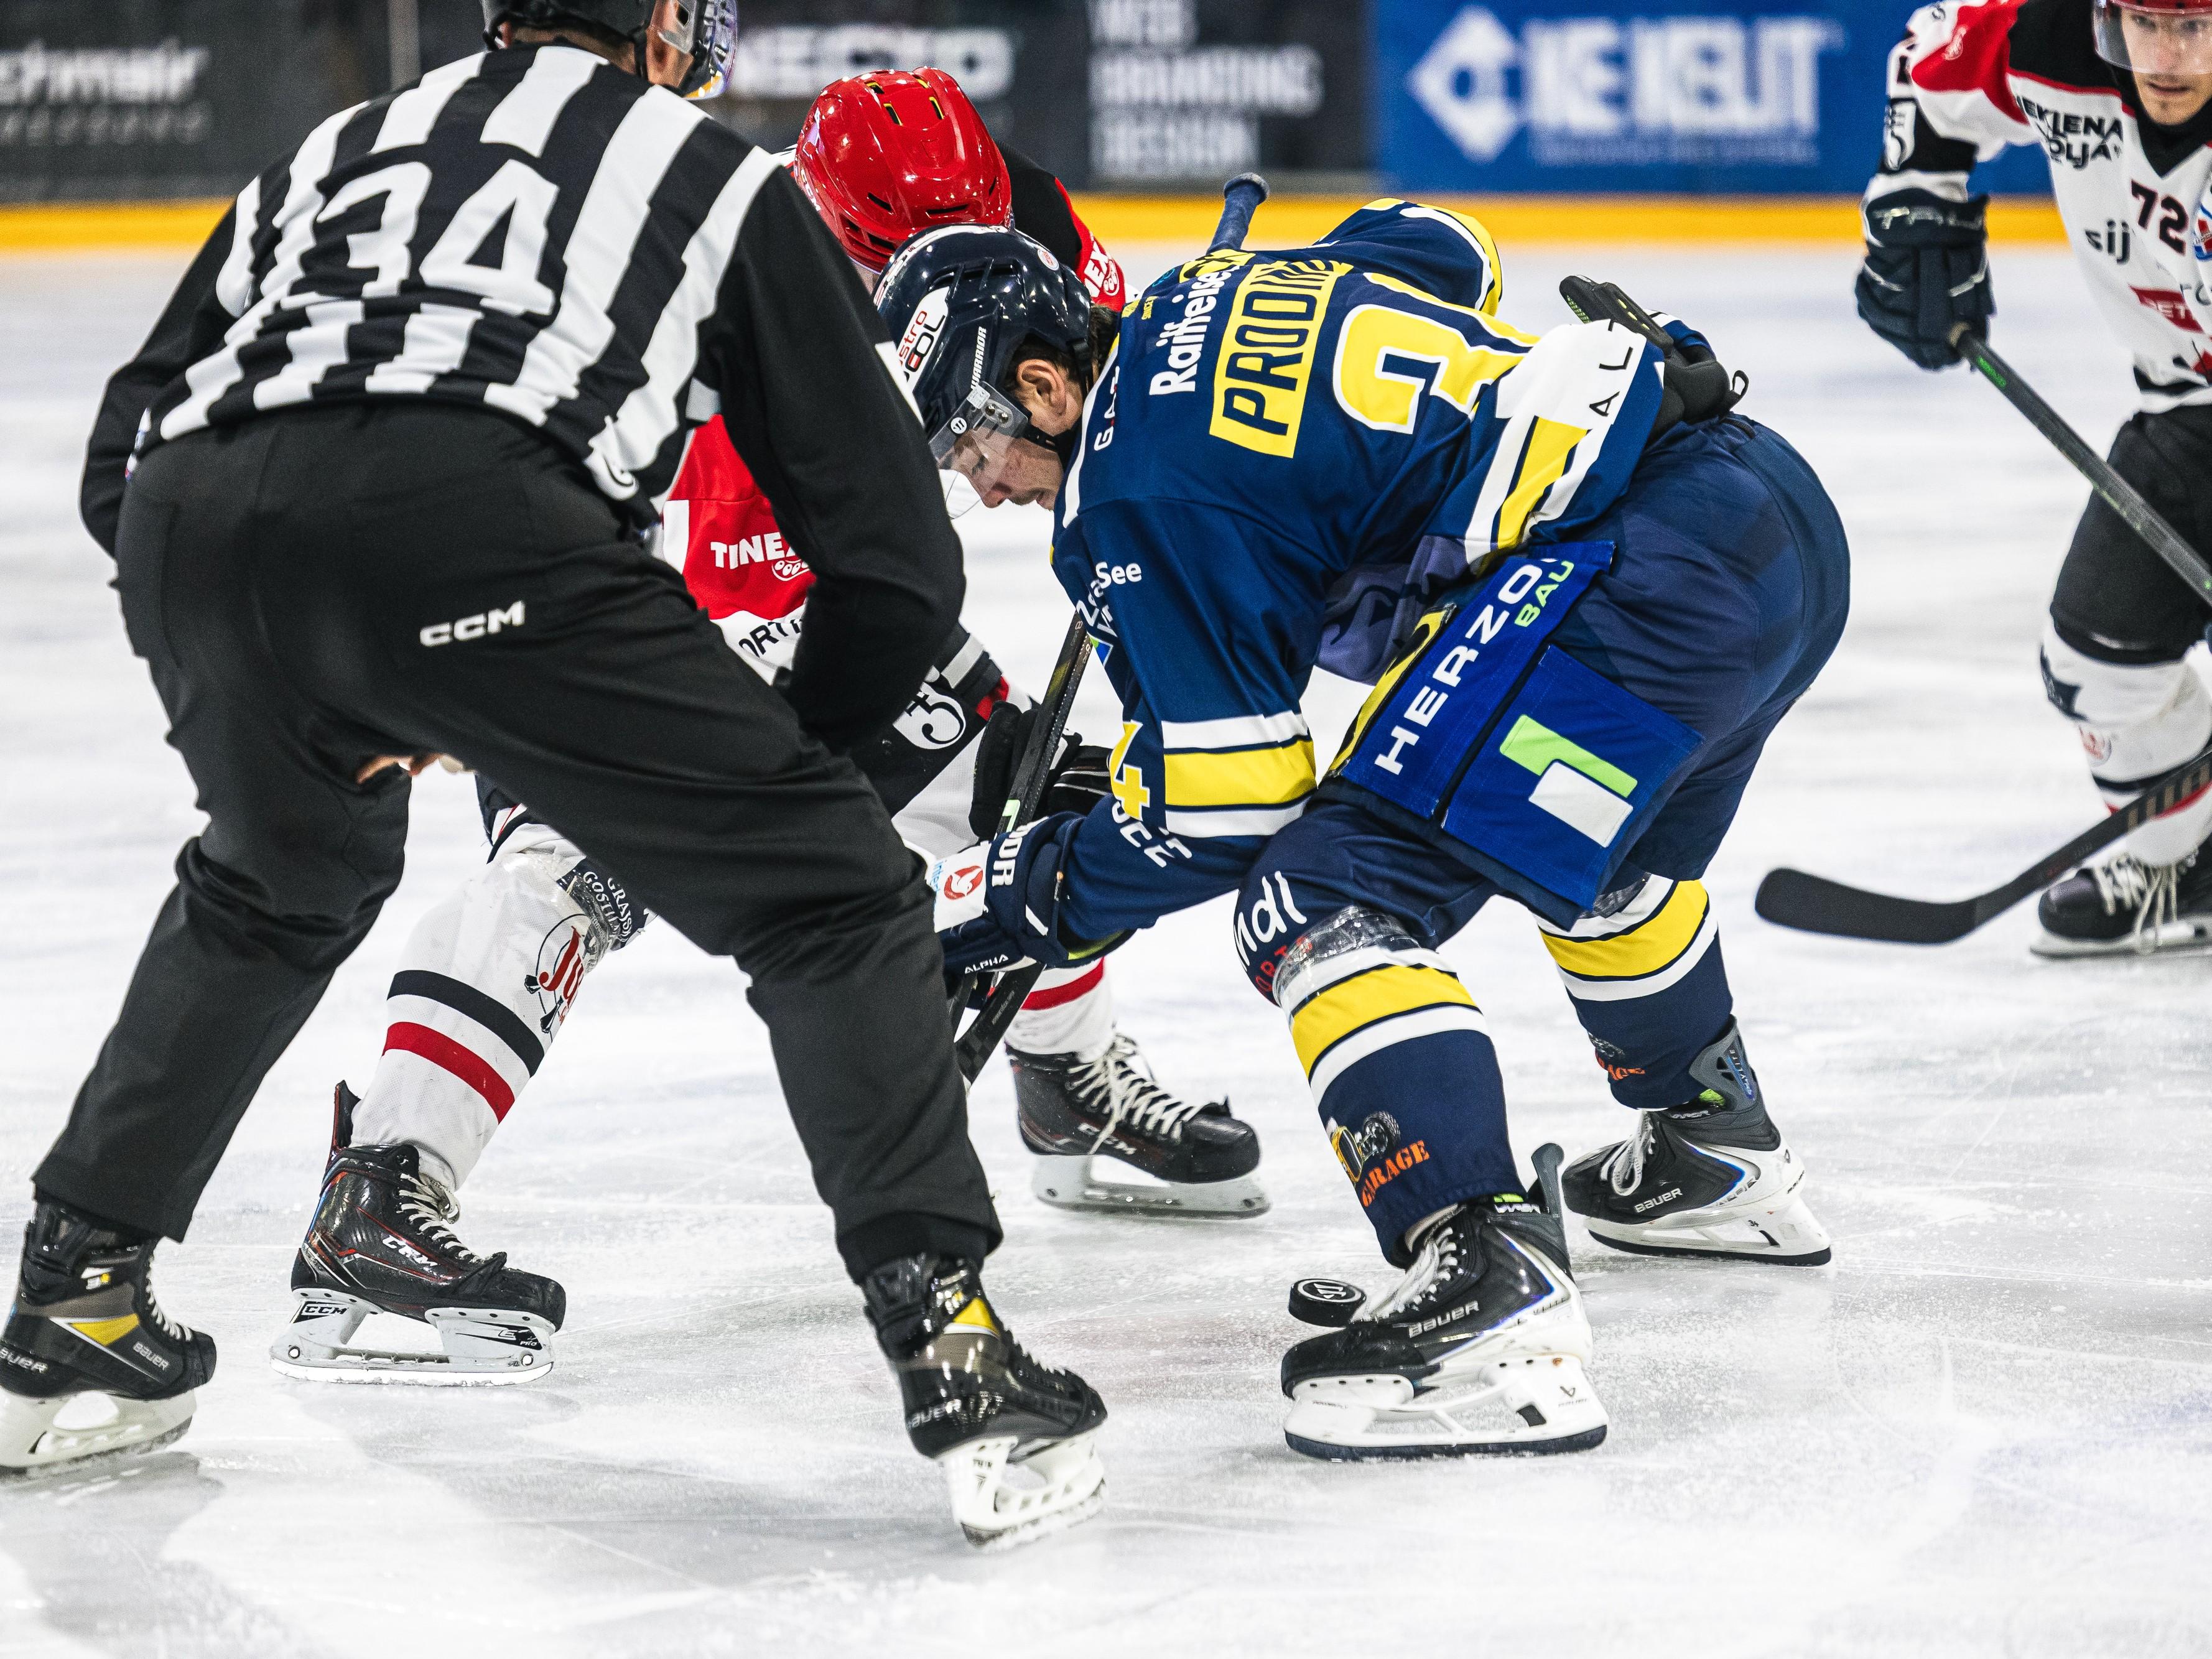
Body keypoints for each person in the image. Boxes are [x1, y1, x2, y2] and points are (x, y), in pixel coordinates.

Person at [1, 0, 1104, 1550]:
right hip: (480, 518)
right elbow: (900, 560)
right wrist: (815, 787)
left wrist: (289, 648)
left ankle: (76, 1296)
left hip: (199, 528)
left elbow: (125, 444)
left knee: (276, 877)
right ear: (665, 28)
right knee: (835, 898)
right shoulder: (715, 176)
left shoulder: (337, 145)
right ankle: (954, 1339)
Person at [316, 70, 1258, 1364]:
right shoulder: (717, 265)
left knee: (1029, 798)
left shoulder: (1022, 219)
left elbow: (1103, 404)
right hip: (645, 598)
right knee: (566, 868)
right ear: (831, 218)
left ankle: (1065, 1073)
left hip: (854, 591)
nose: (938, 259)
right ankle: (380, 1182)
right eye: (893, 251)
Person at [886, 202, 1849, 1459]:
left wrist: (1020, 889)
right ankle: (1707, 1149)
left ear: (1045, 383)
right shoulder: (1208, 287)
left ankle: (1483, 1275)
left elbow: (1234, 805)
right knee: (1587, 852)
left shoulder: (1130, 493)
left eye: (973, 445)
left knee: (1317, 897)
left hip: (1633, 577)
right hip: (1760, 509)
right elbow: (1438, 245)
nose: (983, 482)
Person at [1860, 0, 2212, 954]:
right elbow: (1930, 63)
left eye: (2198, 27)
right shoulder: (2044, 38)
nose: (2169, 57)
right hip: (2187, 414)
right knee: (2097, 665)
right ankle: (2185, 861)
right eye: (2147, 22)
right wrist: (1918, 196)